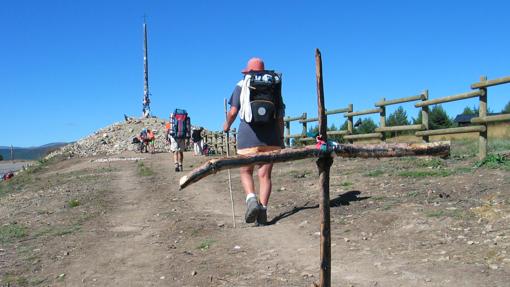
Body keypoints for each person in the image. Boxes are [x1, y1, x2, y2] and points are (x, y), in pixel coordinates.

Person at [223, 57, 285, 226]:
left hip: (247, 136)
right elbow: (280, 116)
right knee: (265, 175)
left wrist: (227, 124)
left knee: (246, 171)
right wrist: (281, 138)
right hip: (271, 138)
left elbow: (233, 111)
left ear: (248, 71)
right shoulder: (274, 86)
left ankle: (251, 200)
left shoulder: (241, 84)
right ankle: (263, 211)